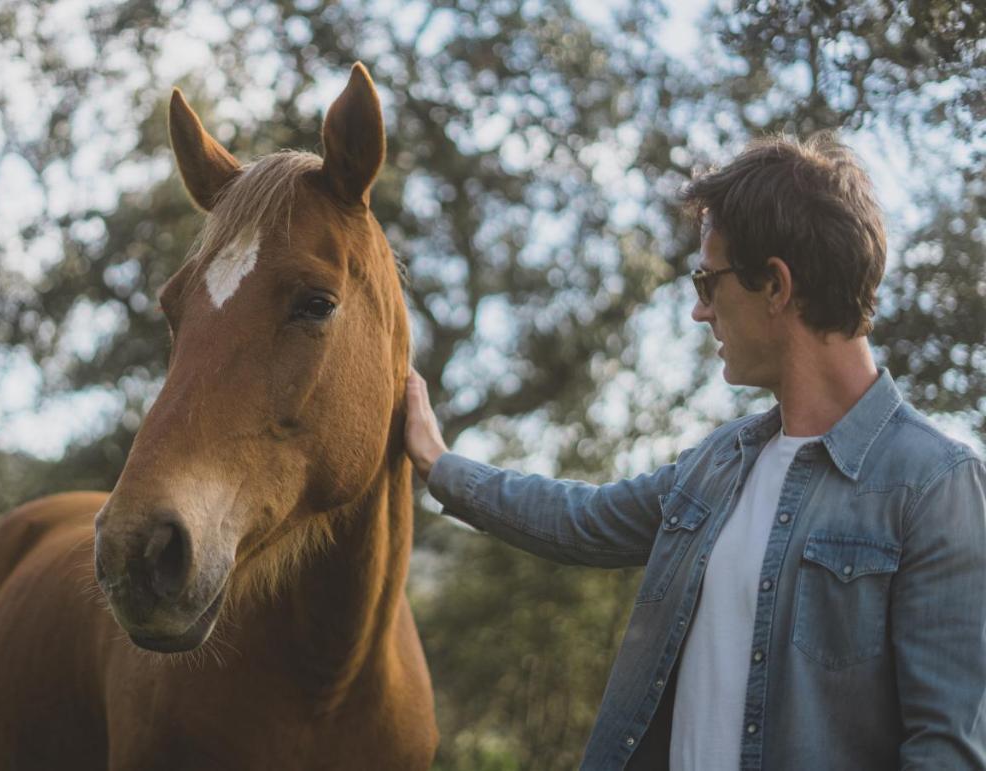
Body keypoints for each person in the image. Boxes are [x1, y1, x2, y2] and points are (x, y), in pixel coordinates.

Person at [404, 134, 986, 770]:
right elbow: (580, 520)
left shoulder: (937, 487)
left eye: (707, 281)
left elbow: (945, 752)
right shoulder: (718, 463)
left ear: (775, 286)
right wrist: (439, 464)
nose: (697, 311)